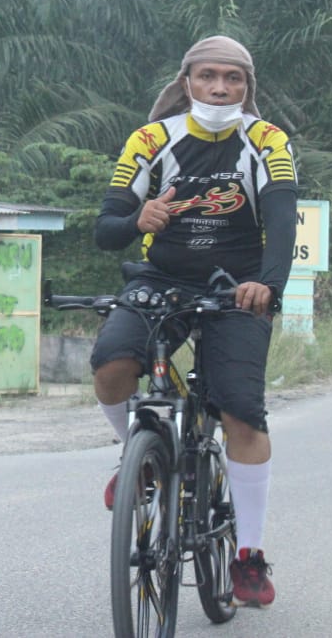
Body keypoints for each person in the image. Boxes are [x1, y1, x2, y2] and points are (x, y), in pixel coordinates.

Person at [89, 35, 297, 610]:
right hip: (162, 278)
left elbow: (282, 218)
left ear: (246, 86)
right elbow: (106, 227)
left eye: (233, 78)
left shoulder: (266, 139)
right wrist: (138, 218)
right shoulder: (152, 139)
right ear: (187, 82)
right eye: (209, 76)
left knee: (240, 410)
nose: (220, 87)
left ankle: (248, 556)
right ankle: (144, 457)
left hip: (240, 287)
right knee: (111, 364)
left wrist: (269, 286)